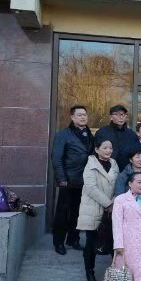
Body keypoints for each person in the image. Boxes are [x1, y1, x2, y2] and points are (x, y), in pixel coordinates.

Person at [76, 139, 119, 281]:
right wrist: (108, 203)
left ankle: (115, 275)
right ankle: (90, 273)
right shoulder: (91, 165)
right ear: (97, 149)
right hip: (93, 208)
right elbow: (91, 188)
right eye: (105, 148)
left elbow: (118, 185)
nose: (108, 150)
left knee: (113, 241)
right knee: (91, 242)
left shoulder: (114, 164)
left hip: (112, 209)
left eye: (110, 148)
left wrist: (114, 201)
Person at [51, 105, 93, 255]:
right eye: (79, 115)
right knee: (63, 213)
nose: (83, 117)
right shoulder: (63, 134)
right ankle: (58, 242)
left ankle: (73, 239)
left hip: (84, 181)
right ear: (72, 117)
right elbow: (56, 158)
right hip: (68, 180)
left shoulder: (89, 134)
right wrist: (61, 178)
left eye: (84, 115)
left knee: (78, 213)